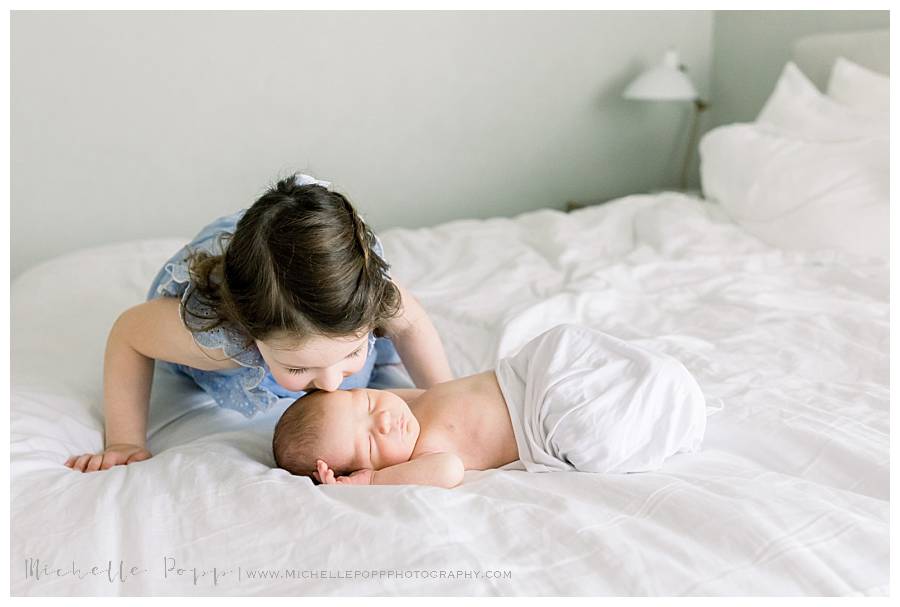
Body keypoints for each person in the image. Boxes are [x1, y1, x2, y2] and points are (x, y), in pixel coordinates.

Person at [65, 173, 453, 473]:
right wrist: (124, 441)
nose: (334, 384)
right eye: (298, 367)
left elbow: (412, 323)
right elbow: (128, 334)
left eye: (354, 350)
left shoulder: (368, 294)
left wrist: (445, 397)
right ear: (250, 333)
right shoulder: (214, 338)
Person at [273, 324, 708, 488]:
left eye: (367, 403)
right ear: (370, 468)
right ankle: (671, 405)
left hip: (530, 375)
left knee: (565, 343)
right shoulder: (426, 455)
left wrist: (367, 431)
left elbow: (384, 406)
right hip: (542, 423)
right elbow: (449, 473)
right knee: (600, 426)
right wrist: (367, 485)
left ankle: (655, 377)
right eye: (369, 442)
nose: (383, 419)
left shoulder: (400, 408)